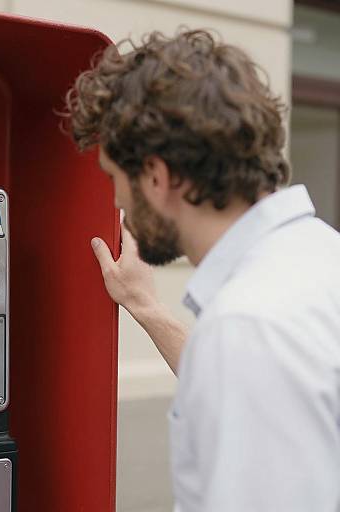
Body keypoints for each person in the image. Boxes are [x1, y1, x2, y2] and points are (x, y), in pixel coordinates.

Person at [64, 29, 340, 512]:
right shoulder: (319, 256)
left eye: (114, 178)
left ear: (157, 175)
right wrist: (147, 307)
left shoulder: (248, 328)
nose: (115, 202)